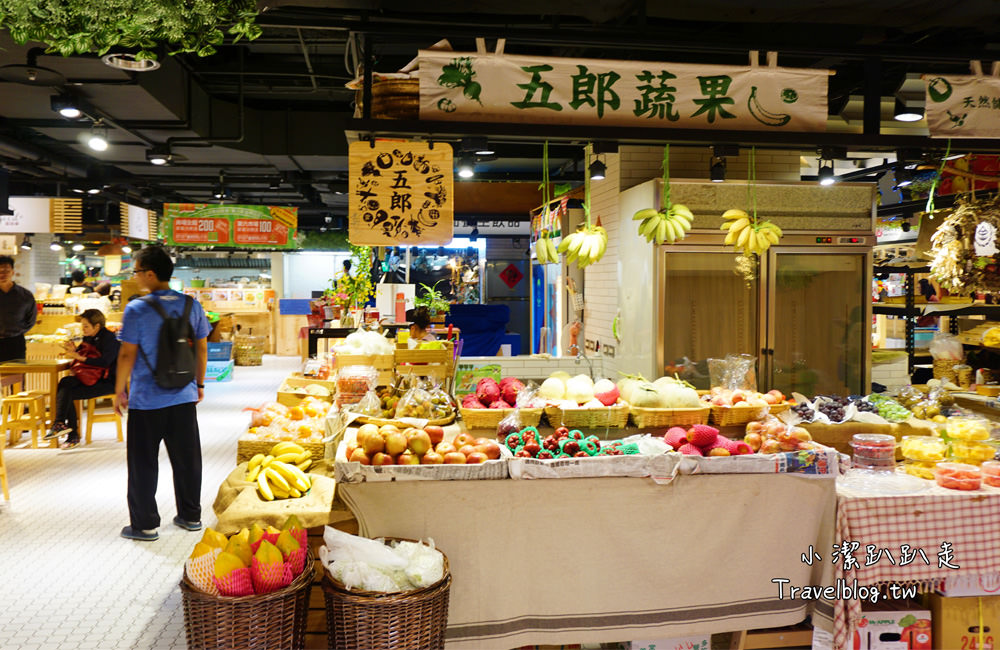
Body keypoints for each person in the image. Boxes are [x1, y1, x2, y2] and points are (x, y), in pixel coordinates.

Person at [115, 246, 210, 542]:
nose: (136, 276)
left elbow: (127, 354)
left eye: (137, 271)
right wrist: (200, 384)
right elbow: (203, 347)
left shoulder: (137, 309)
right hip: (183, 396)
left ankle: (144, 524)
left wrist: (119, 389)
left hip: (147, 400)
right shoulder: (190, 305)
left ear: (150, 273)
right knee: (188, 459)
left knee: (143, 462)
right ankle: (191, 516)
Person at [46, 309, 121, 448]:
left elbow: (105, 362)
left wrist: (79, 357)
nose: (83, 329)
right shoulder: (89, 337)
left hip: (106, 382)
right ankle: (62, 425)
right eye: (82, 326)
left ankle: (69, 432)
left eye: (86, 326)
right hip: (89, 378)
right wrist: (73, 351)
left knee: (65, 393)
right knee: (65, 384)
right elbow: (82, 355)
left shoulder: (109, 338)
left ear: (97, 326)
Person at [0, 255, 37, 362]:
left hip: (15, 342)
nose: (3, 274)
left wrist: (17, 331)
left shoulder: (25, 295)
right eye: (0, 271)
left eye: (6, 271)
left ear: (12, 272)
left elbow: (31, 319)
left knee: (16, 377)